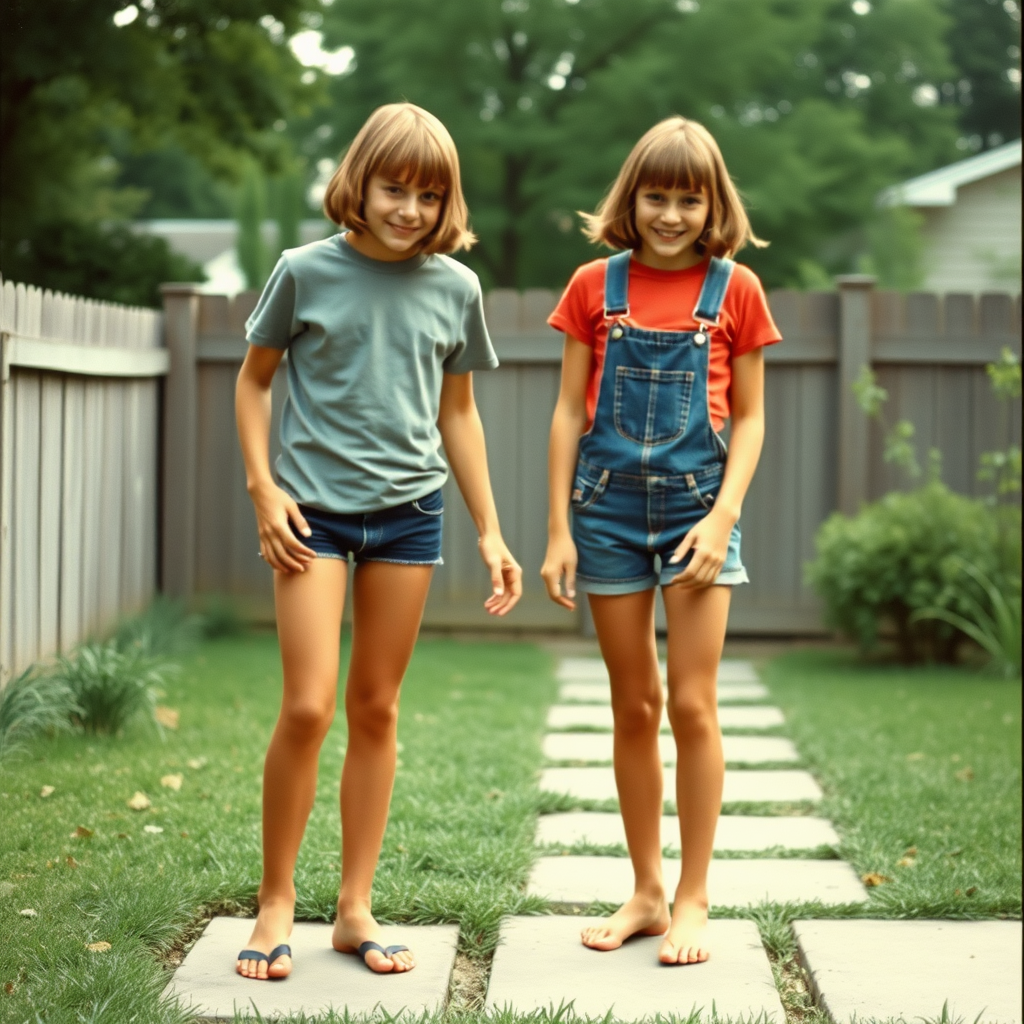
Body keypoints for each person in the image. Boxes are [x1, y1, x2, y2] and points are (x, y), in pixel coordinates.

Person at [234, 103, 522, 980]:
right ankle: (275, 902)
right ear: (359, 182)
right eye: (395, 187)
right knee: (310, 705)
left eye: (429, 195)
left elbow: (459, 414)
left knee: (377, 709)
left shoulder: (454, 289)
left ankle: (355, 908)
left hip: (409, 515)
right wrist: (263, 489)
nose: (409, 209)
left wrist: (491, 528)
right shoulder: (302, 271)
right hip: (310, 515)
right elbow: (254, 386)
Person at [540, 116, 780, 965]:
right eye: (656, 196)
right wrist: (558, 529)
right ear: (630, 198)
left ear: (714, 203)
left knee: (693, 704)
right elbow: (570, 411)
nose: (671, 215)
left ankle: (693, 896)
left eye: (689, 198)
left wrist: (721, 519)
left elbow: (749, 419)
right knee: (632, 704)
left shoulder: (736, 290)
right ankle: (644, 889)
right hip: (603, 513)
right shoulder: (592, 285)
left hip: (696, 517)